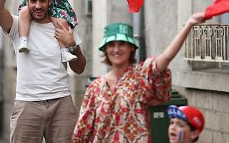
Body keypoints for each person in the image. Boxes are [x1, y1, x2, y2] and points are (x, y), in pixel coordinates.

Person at [0, 0, 87, 143]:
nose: (38, 5)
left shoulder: (63, 26)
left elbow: (80, 68)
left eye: (42, 0)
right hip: (27, 102)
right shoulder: (18, 26)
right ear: (27, 2)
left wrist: (72, 46)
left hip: (62, 101)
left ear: (50, 1)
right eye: (33, 1)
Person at [72, 12, 206, 142]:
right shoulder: (95, 88)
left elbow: (166, 57)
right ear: (105, 49)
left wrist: (188, 25)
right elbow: (82, 130)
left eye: (122, 44)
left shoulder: (141, 76)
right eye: (111, 45)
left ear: (131, 47)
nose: (116, 49)